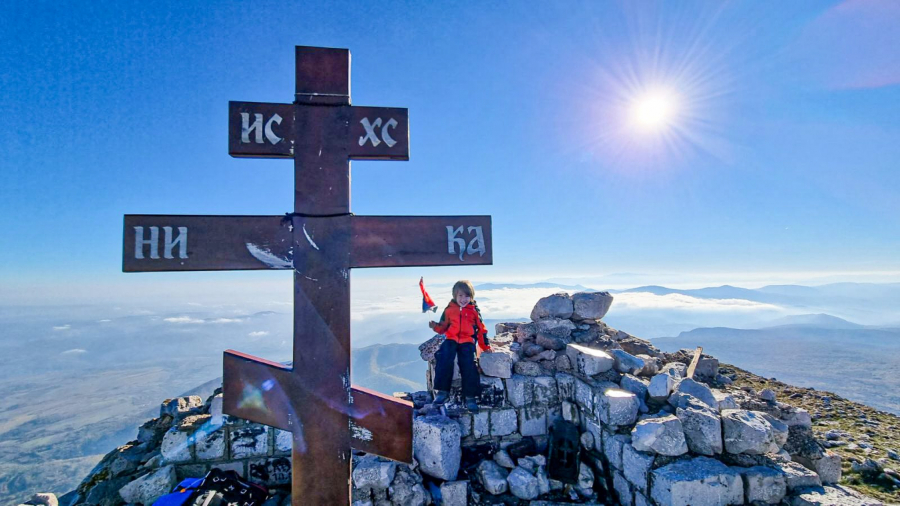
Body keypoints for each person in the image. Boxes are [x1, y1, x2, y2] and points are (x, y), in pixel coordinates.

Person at [428, 280, 491, 411]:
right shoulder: (449, 309)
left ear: (471, 296)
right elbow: (443, 327)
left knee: (468, 364)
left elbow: (481, 329)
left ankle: (470, 396)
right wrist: (435, 326)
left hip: (467, 340)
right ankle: (442, 391)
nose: (463, 299)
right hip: (451, 338)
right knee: (444, 357)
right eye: (460, 296)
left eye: (467, 296)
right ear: (454, 296)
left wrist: (485, 346)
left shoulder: (473, 310)